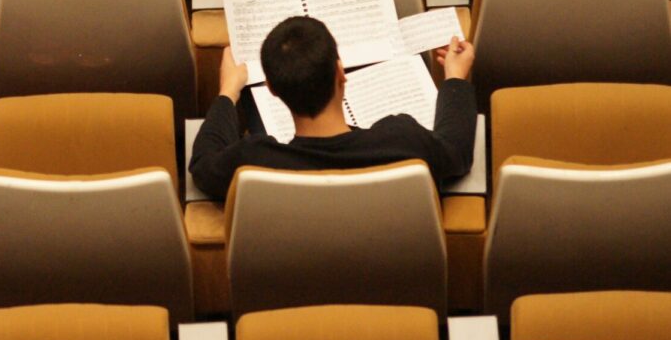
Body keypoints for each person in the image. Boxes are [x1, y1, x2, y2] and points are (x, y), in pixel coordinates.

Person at [189, 14, 477, 201]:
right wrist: (455, 77)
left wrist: (228, 91)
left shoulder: (254, 162)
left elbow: (202, 164)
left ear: (272, 89)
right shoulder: (403, 140)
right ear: (340, 73)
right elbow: (456, 151)